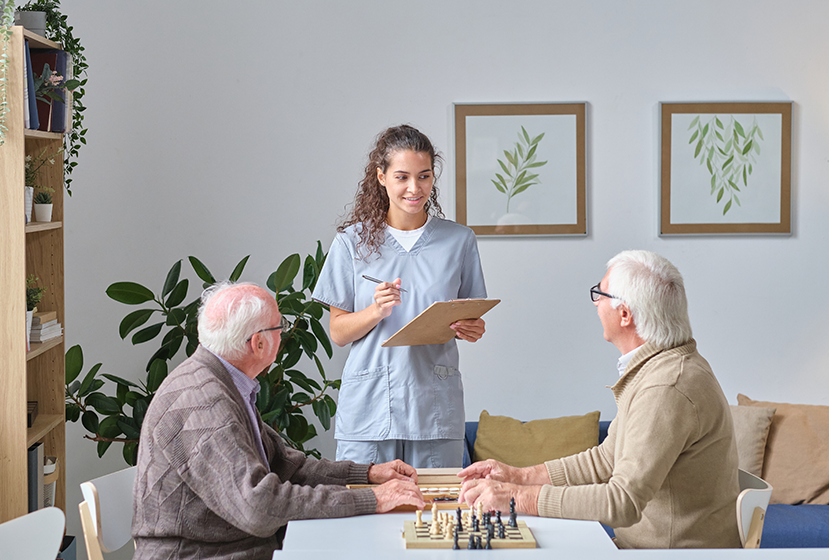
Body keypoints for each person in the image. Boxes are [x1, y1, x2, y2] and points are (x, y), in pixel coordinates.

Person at [458, 250, 741, 549]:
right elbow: (606, 459)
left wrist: (515, 497)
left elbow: (622, 502)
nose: (595, 303)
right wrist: (518, 476)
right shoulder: (661, 368)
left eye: (600, 294)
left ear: (625, 315)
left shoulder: (667, 387)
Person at [132, 282, 424, 560]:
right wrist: (372, 500)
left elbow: (286, 465)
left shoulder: (223, 382)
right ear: (258, 344)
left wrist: (367, 475)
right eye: (279, 326)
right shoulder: (205, 402)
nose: (283, 334)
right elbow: (257, 507)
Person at [312, 124, 487, 468]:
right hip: (369, 410)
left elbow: (473, 319)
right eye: (402, 177)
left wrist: (473, 329)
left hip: (434, 409)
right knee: (364, 515)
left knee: (439, 515)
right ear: (381, 177)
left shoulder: (459, 241)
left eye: (424, 176)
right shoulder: (351, 242)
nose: (414, 188)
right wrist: (374, 312)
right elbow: (338, 332)